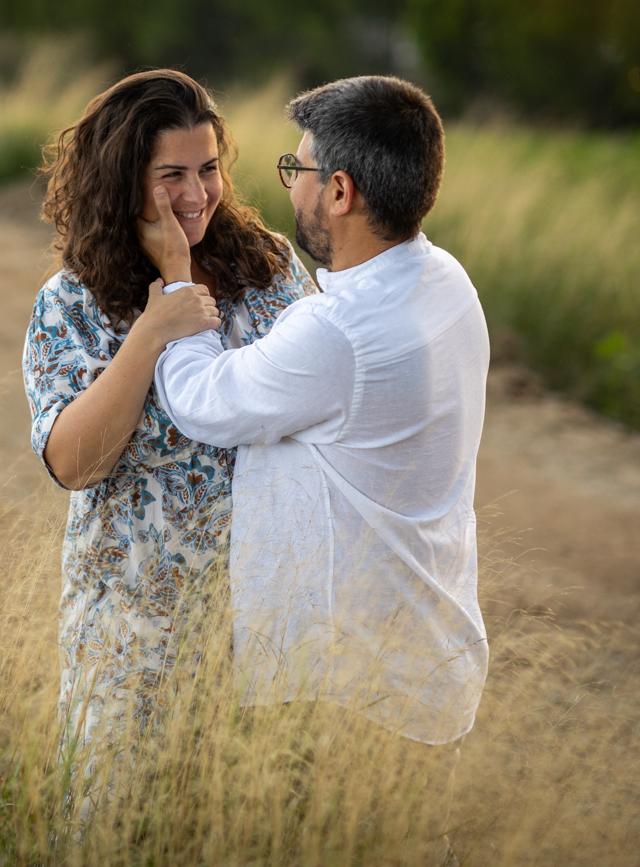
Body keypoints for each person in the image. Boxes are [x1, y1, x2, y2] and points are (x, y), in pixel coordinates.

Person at [145, 75, 490, 749]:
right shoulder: (448, 279)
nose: (290, 188)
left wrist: (179, 279)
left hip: (347, 686)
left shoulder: (338, 332)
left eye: (296, 169)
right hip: (429, 661)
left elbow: (202, 400)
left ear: (338, 191)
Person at [21, 69, 319, 797]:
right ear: (124, 182)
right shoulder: (73, 301)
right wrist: (154, 329)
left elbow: (323, 396)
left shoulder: (269, 266)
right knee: (126, 831)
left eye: (208, 168)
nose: (196, 193)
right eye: (172, 175)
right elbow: (73, 462)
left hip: (269, 629)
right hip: (136, 639)